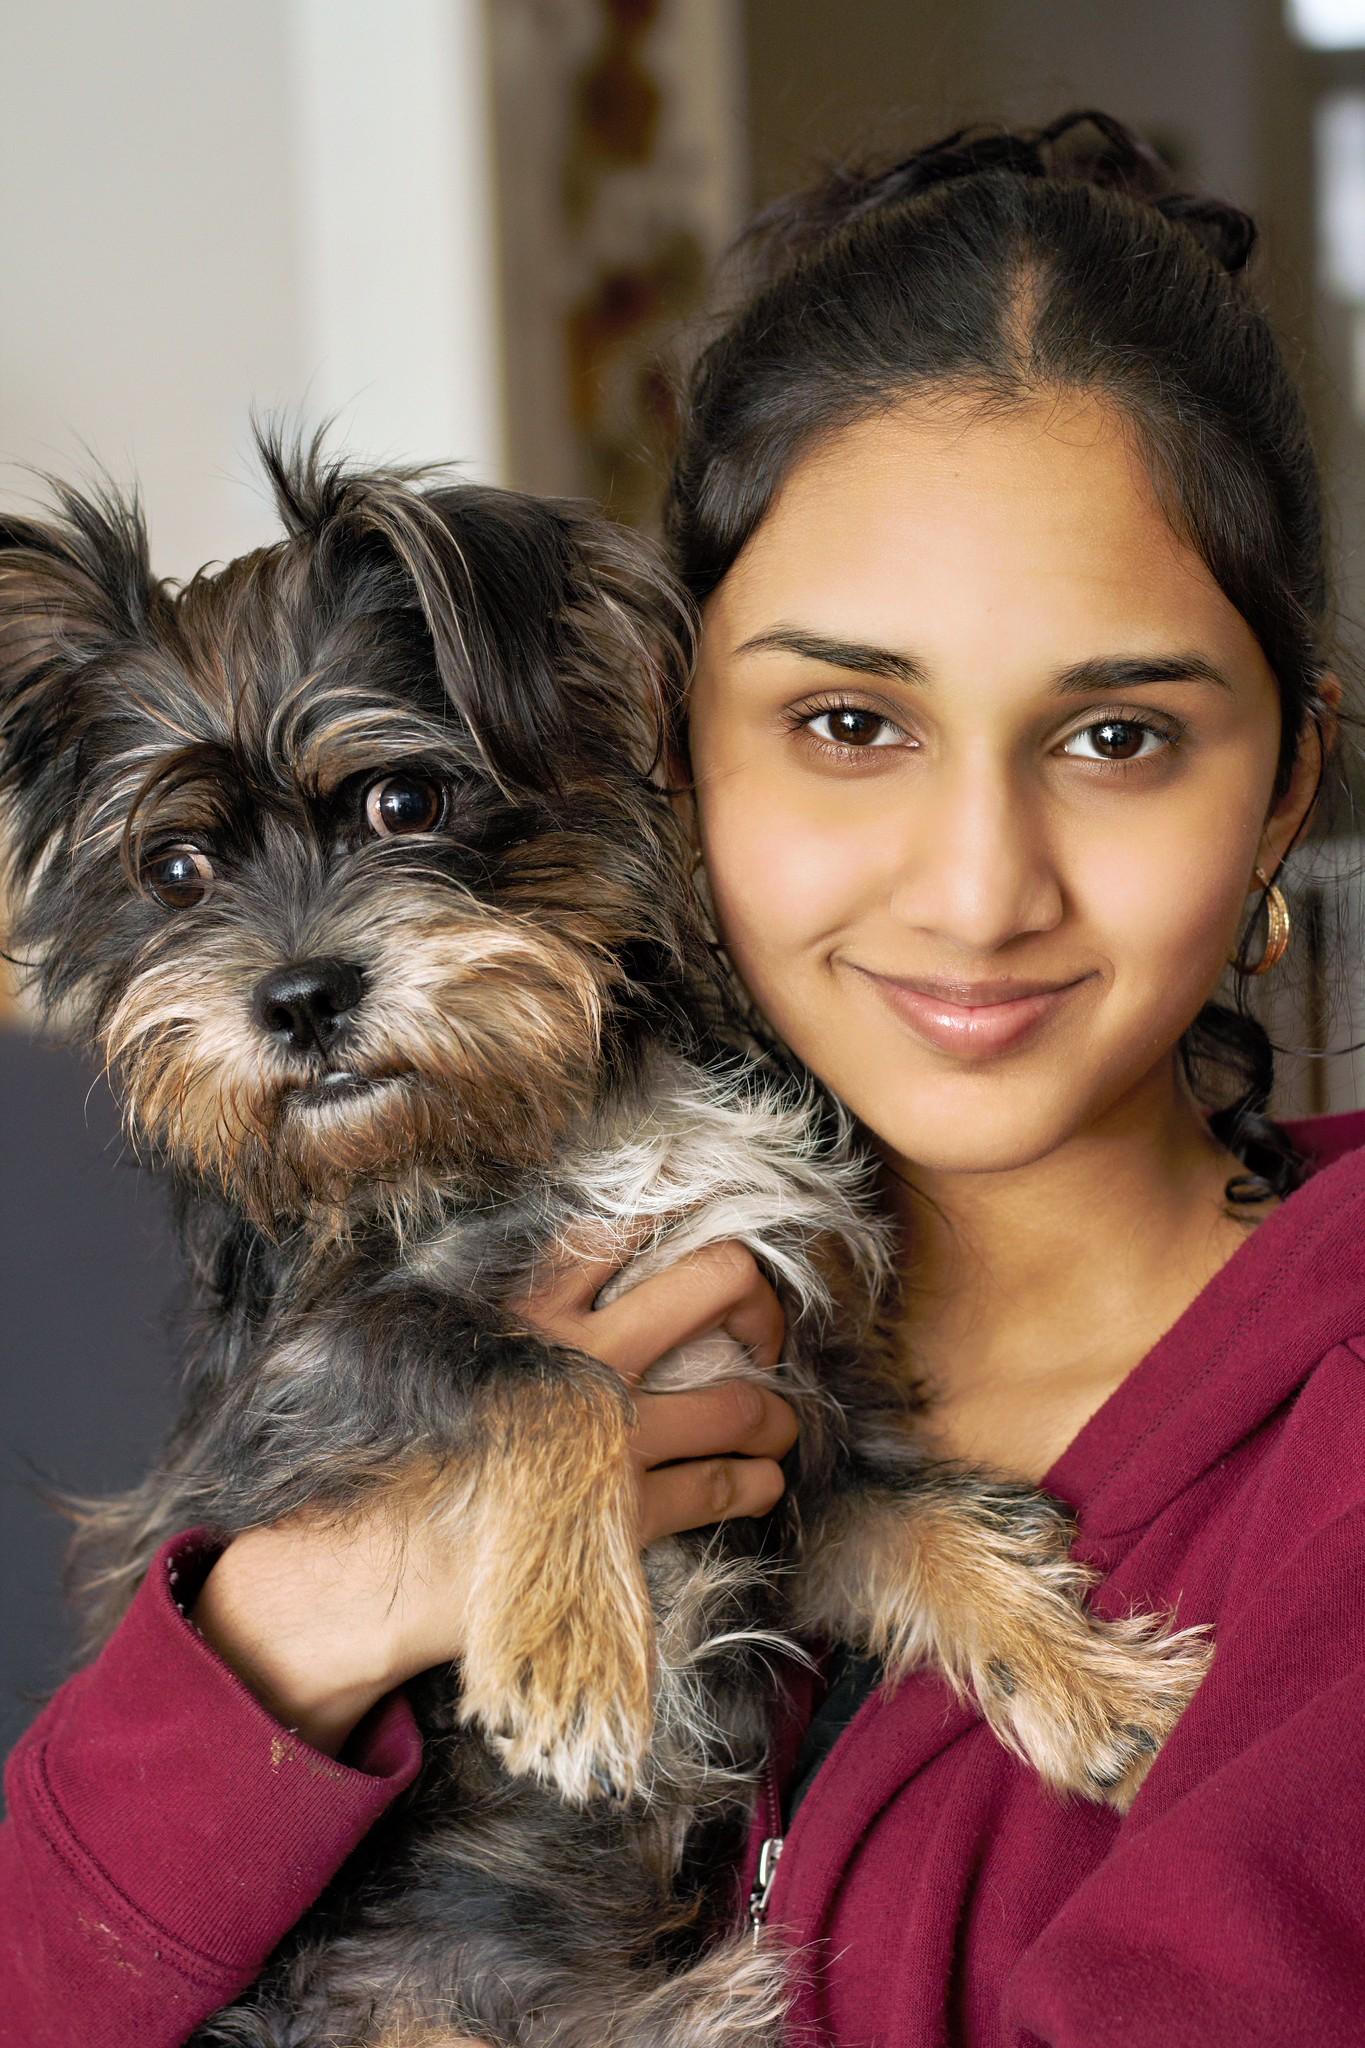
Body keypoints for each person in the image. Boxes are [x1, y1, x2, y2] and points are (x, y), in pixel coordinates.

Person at [5, 107, 1365, 2047]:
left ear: (1282, 784)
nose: (975, 886)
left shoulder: (1329, 1454)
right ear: (657, 737)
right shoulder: (508, 1265)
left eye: (1116, 735)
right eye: (843, 719)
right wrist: (294, 1634)